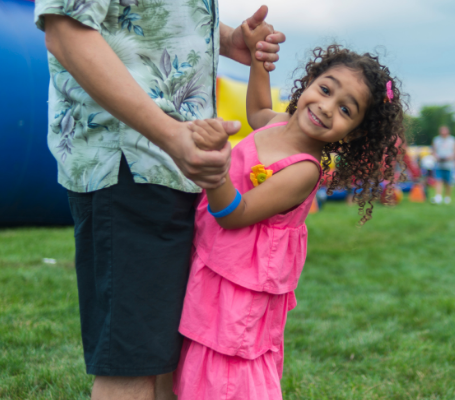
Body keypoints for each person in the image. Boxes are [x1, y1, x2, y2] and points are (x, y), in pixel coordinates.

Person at [34, 2, 286, 399]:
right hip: (129, 161)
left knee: (169, 359)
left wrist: (226, 38)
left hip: (176, 167)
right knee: (134, 365)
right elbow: (65, 29)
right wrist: (170, 136)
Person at [173, 34, 406, 399]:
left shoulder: (303, 171)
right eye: (326, 89)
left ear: (354, 132)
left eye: (346, 110)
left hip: (241, 283)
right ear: (310, 81)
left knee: (228, 361)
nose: (328, 107)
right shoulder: (277, 122)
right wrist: (258, 59)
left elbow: (235, 214)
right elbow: (256, 111)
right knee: (200, 342)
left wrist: (216, 169)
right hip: (218, 263)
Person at [431, 126, 455, 204]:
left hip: (449, 165)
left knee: (448, 182)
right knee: (438, 180)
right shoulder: (436, 140)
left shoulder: (452, 140)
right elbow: (433, 151)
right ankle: (438, 197)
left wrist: (449, 157)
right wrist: (436, 157)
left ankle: (447, 197)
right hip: (439, 164)